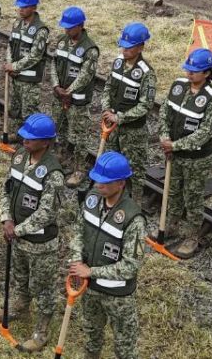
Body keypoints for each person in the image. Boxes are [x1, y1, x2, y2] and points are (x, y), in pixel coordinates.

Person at [68, 151, 146, 359]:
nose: (98, 185)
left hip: (117, 296)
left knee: (124, 345)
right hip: (90, 289)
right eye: (97, 180)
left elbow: (131, 266)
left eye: (104, 182)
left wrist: (90, 271)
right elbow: (78, 229)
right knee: (92, 335)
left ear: (120, 183)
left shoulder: (134, 219)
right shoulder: (92, 199)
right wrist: (76, 259)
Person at [0, 113, 65, 351]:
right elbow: (6, 189)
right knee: (21, 276)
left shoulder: (53, 174)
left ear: (46, 142)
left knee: (43, 287)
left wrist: (18, 229)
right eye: (24, 136)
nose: (24, 140)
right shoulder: (19, 157)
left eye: (31, 138)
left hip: (40, 244)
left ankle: (42, 328)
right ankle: (21, 305)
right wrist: (6, 218)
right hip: (17, 236)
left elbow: (47, 213)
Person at [157, 48, 212, 259]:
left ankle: (192, 236)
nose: (189, 74)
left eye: (195, 71)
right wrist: (165, 138)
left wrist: (174, 146)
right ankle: (172, 226)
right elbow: (164, 112)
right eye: (188, 69)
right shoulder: (178, 86)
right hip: (175, 153)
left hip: (197, 159)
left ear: (207, 73)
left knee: (192, 197)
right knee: (174, 191)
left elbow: (205, 134)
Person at [102, 23, 156, 205]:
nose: (124, 50)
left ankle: (135, 204)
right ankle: (113, 197)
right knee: (111, 163)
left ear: (140, 47)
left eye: (129, 46)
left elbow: (145, 105)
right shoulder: (117, 62)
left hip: (133, 133)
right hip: (113, 127)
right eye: (123, 45)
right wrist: (106, 108)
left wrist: (120, 117)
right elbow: (108, 87)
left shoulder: (146, 73)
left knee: (135, 171)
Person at [51, 6, 100, 188]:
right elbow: (53, 65)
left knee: (80, 138)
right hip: (60, 96)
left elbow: (85, 76)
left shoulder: (90, 50)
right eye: (65, 27)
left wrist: (68, 92)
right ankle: (60, 157)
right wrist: (56, 86)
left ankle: (79, 170)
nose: (66, 30)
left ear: (80, 26)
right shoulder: (62, 41)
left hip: (78, 102)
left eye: (70, 27)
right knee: (59, 129)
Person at [5, 0, 49, 138]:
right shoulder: (17, 23)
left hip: (29, 80)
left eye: (24, 7)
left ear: (34, 8)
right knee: (16, 108)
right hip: (15, 76)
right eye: (20, 6)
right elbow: (10, 45)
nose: (21, 9)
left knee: (28, 111)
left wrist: (15, 66)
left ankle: (29, 138)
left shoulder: (41, 30)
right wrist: (10, 64)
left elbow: (35, 56)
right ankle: (17, 135)